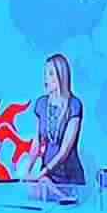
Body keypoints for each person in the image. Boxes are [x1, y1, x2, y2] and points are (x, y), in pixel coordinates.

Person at [30, 53, 90, 201]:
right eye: (45, 73)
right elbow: (36, 143)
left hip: (68, 175)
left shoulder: (74, 105)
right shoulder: (41, 104)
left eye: (50, 74)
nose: (46, 79)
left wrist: (44, 172)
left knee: (68, 207)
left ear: (61, 76)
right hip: (47, 176)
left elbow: (64, 151)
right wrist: (28, 170)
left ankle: (66, 199)